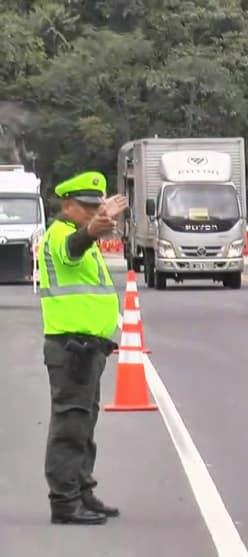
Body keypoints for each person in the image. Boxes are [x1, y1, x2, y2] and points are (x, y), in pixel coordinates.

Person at [38, 171, 128, 525]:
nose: (93, 213)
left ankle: (82, 490)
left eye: (97, 208)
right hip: (70, 348)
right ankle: (64, 500)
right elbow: (73, 249)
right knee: (70, 425)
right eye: (86, 208)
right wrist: (91, 231)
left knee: (84, 423)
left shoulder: (81, 237)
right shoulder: (60, 236)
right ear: (67, 206)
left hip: (90, 348)